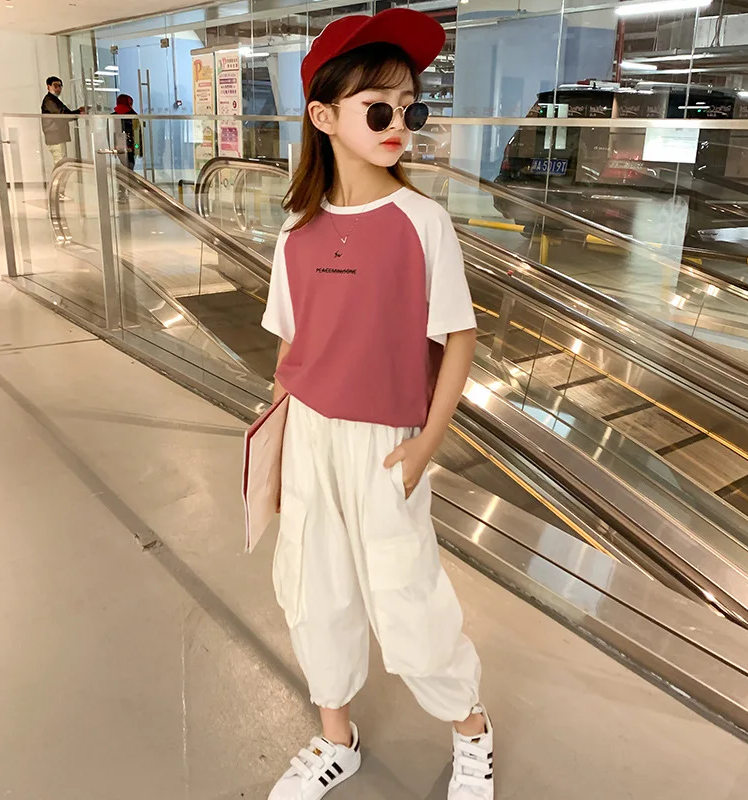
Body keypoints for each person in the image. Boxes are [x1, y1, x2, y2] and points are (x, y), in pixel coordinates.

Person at [260, 9, 494, 800]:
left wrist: (426, 444)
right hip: (308, 434)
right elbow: (290, 350)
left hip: (387, 441)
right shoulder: (296, 232)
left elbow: (458, 337)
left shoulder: (422, 222)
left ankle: (471, 729)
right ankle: (337, 739)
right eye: (379, 108)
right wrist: (274, 443)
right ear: (324, 116)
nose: (400, 124)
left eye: (410, 108)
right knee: (312, 588)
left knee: (407, 595)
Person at [40, 76, 84, 167]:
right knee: (60, 164)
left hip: (57, 137)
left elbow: (65, 114)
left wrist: (78, 112)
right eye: (55, 86)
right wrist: (79, 112)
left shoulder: (54, 100)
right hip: (55, 138)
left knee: (61, 163)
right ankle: (58, 178)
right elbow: (63, 115)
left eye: (60, 86)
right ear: (48, 87)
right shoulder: (50, 101)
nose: (58, 89)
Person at [112, 94, 142, 203]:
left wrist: (114, 147)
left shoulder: (113, 116)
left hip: (119, 147)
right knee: (128, 169)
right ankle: (125, 190)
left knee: (127, 169)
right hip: (131, 148)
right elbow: (137, 134)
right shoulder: (133, 115)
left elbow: (110, 133)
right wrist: (138, 148)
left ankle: (127, 189)